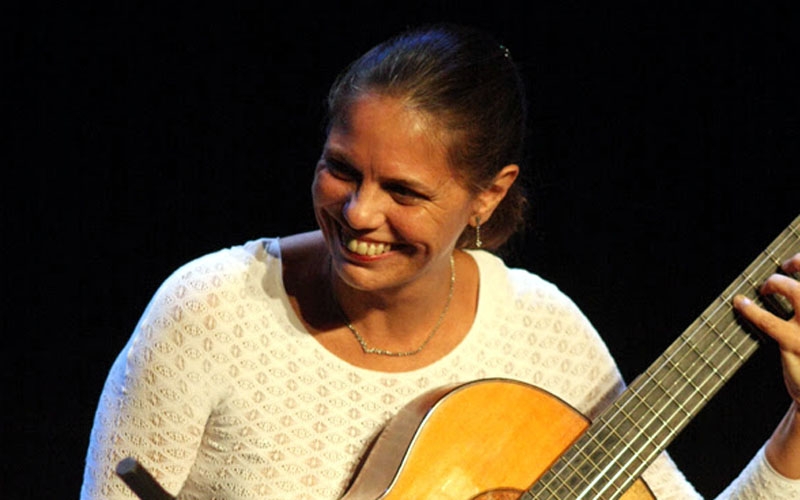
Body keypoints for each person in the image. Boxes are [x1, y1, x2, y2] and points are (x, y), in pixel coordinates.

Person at [80, 23, 800, 499]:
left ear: (489, 195)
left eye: (403, 191)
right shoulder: (207, 312)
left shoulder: (544, 335)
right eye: (341, 170)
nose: (359, 213)